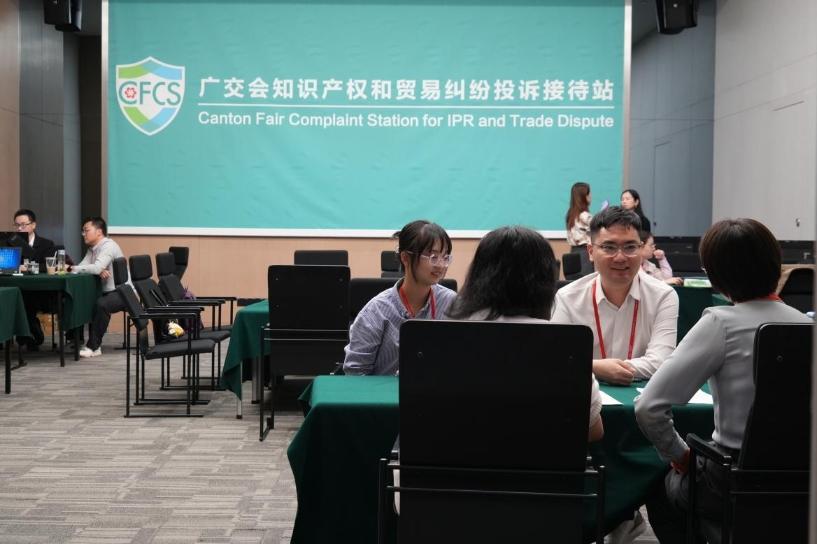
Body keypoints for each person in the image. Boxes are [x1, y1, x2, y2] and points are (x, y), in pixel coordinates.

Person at [634, 218, 811, 544]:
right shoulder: (806, 326)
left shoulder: (720, 323)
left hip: (730, 478)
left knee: (662, 488)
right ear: (776, 265)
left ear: (714, 276)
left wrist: (681, 457)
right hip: (802, 481)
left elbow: (648, 407)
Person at [448, 225, 603, 441]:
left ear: (477, 275)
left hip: (460, 460)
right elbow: (594, 431)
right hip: (544, 461)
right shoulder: (566, 346)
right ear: (546, 281)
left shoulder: (448, 339)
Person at [552, 206, 679, 384]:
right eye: (609, 247)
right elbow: (556, 358)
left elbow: (661, 361)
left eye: (630, 247)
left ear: (641, 249)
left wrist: (589, 366)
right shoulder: (567, 298)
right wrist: (597, 367)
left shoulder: (663, 296)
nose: (620, 257)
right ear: (591, 252)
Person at [343, 220, 457, 375]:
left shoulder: (451, 303)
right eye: (433, 257)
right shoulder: (376, 311)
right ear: (405, 258)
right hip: (385, 391)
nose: (441, 265)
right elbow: (355, 372)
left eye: (445, 257)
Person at [71, 217, 128, 358]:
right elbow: (84, 268)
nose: (83, 234)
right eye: (83, 231)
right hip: (105, 292)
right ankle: (75, 339)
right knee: (80, 299)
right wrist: (95, 269)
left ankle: (93, 347)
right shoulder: (92, 249)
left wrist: (94, 268)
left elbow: (91, 268)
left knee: (102, 305)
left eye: (86, 230)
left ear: (99, 232)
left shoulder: (108, 246)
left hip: (122, 292)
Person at [9, 209, 56, 349]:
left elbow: (48, 266)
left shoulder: (46, 244)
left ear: (33, 225)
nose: (19, 228)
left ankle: (29, 333)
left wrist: (28, 267)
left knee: (26, 298)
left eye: (23, 225)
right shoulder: (10, 243)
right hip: (16, 287)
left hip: (39, 290)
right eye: (17, 225)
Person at [565, 181, 594, 275]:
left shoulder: (570, 215)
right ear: (583, 197)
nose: (591, 196)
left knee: (574, 280)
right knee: (586, 280)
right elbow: (598, 228)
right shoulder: (585, 216)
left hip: (573, 252)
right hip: (584, 254)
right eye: (588, 194)